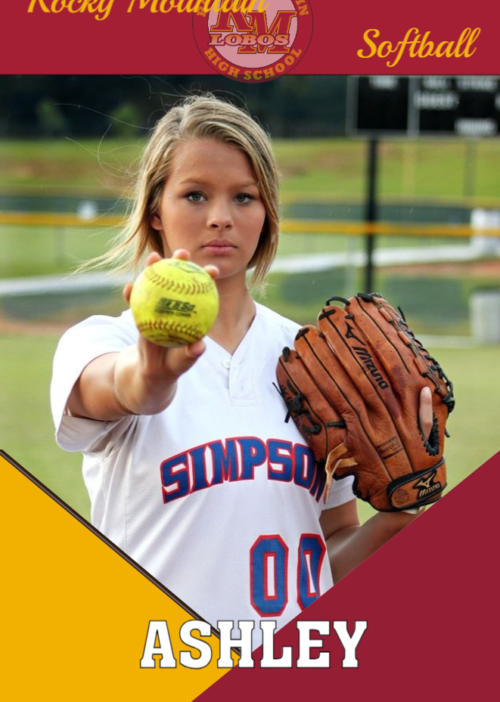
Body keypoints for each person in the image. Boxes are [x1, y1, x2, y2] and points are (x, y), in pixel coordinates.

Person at [51, 94, 432, 648]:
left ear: (267, 212)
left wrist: (401, 517)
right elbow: (118, 387)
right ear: (156, 210)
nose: (221, 216)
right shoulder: (102, 341)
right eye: (195, 194)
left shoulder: (318, 365)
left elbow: (331, 549)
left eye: (244, 197)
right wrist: (153, 374)